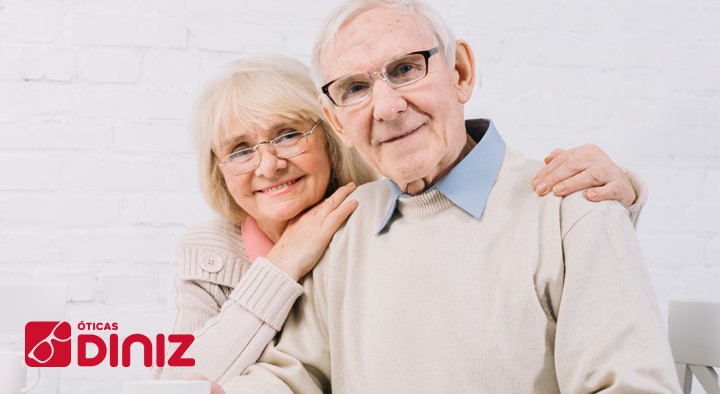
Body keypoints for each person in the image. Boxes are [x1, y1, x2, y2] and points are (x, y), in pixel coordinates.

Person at [212, 1, 681, 393]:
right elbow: (289, 377)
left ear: (460, 72)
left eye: (405, 69)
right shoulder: (342, 227)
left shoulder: (574, 205)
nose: (388, 107)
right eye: (355, 88)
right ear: (337, 122)